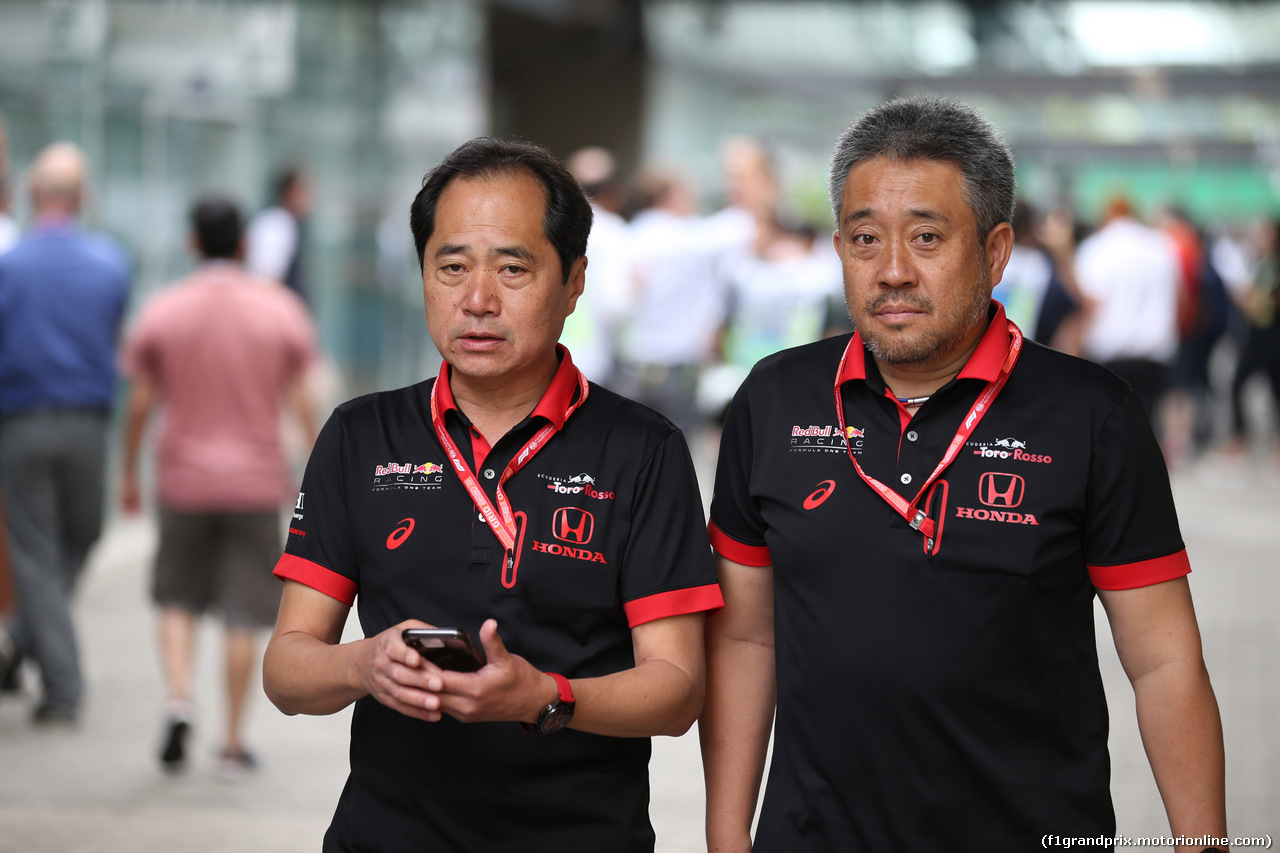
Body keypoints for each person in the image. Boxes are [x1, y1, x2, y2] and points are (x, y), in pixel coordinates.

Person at [701, 97, 1227, 852]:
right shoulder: (774, 399)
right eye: (863, 238)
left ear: (995, 248)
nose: (891, 271)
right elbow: (746, 639)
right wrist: (727, 839)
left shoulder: (1089, 415)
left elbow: (1164, 659)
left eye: (925, 237)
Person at [263, 138, 722, 851]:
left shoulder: (643, 449)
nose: (477, 300)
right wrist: (363, 662)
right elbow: (288, 670)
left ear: (574, 283)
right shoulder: (361, 435)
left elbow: (678, 689)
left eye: (514, 267)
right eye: (451, 267)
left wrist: (545, 698)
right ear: (422, 274)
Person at [119, 196, 319, 773]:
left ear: (191, 243)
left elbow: (139, 401)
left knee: (177, 596)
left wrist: (130, 472)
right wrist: (316, 467)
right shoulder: (278, 309)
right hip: (255, 483)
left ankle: (179, 699)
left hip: (182, 479)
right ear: (244, 244)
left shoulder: (163, 309)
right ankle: (232, 740)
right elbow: (301, 397)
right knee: (244, 611)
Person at [0, 142, 131, 725]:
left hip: (22, 422)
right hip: (88, 425)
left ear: (33, 195)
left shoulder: (11, 265)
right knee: (79, 539)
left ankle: (21, 644)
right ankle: (62, 684)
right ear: (82, 199)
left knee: (36, 556)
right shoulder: (111, 263)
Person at [1074, 196, 1182, 430]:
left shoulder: (1096, 247)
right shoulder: (1161, 244)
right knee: (1148, 421)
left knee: (1111, 423)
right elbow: (1178, 295)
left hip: (1110, 349)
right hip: (1154, 349)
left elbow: (1089, 301)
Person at [245, 164, 312, 302]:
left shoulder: (284, 221)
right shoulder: (277, 223)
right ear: (291, 192)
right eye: (305, 191)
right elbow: (266, 279)